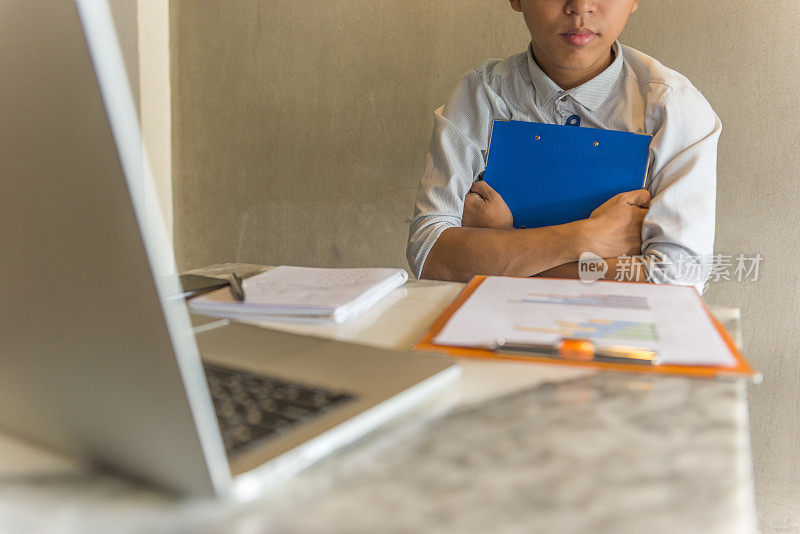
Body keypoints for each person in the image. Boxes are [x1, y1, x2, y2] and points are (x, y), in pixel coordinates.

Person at [406, 0, 720, 293]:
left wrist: (500, 248)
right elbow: (429, 252)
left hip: (621, 338)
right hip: (494, 334)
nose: (581, 6)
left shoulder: (673, 107)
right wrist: (587, 238)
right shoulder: (483, 94)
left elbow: (678, 278)